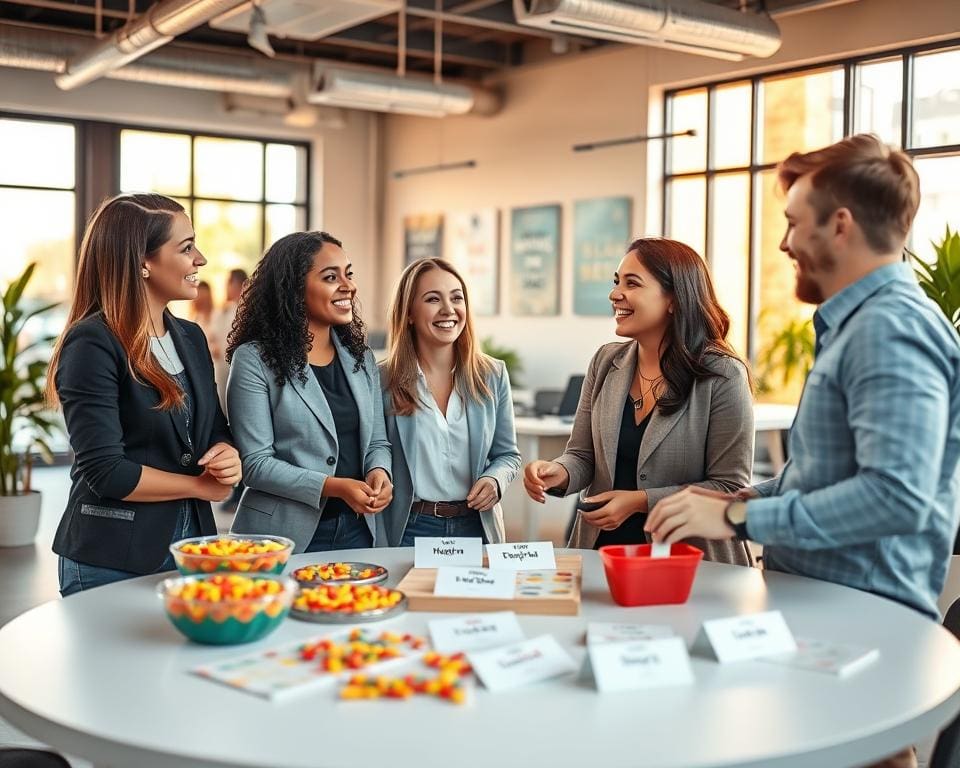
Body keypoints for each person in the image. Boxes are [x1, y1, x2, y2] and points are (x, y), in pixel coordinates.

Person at [645, 135, 960, 768]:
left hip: (861, 621)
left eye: (793, 222)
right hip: (826, 611)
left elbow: (898, 495)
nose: (785, 242)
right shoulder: (857, 325)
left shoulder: (887, 327)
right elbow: (825, 475)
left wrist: (738, 520)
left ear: (839, 225)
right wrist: (736, 497)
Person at [47, 193, 242, 596]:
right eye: (186, 248)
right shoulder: (92, 343)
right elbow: (106, 470)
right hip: (111, 558)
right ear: (143, 262)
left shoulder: (190, 337)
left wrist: (227, 455)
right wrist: (199, 486)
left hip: (191, 549)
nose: (200, 259)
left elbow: (212, 431)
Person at [523, 237, 753, 565]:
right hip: (602, 554)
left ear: (674, 298)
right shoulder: (605, 362)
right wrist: (556, 471)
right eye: (616, 282)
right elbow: (582, 455)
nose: (615, 294)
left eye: (632, 283)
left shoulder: (722, 374)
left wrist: (640, 501)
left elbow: (729, 486)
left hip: (690, 560)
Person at [226, 231, 392, 552]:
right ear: (293, 289)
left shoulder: (361, 359)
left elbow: (377, 442)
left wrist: (379, 471)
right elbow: (257, 464)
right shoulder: (254, 360)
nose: (348, 285)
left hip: (358, 531)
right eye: (331, 277)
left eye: (349, 273)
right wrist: (334, 487)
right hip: (279, 537)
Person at [380, 258, 520, 546]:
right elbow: (374, 451)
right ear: (408, 313)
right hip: (409, 530)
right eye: (433, 299)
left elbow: (508, 455)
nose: (449, 309)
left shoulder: (492, 374)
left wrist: (495, 480)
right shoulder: (381, 379)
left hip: (477, 526)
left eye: (457, 298)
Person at [213, 268, 247, 408]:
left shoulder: (244, 312)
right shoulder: (224, 311)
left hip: (235, 368)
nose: (226, 288)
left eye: (229, 283)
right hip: (222, 367)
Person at [190, 280, 219, 360]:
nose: (203, 300)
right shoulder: (195, 320)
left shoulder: (219, 315)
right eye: (200, 295)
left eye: (205, 296)